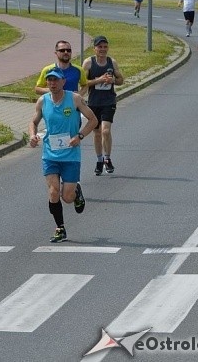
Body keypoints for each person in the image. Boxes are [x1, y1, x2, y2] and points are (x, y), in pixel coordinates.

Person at [29, 69, 98, 243]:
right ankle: (60, 228)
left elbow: (93, 120)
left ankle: (76, 192)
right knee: (53, 193)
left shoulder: (74, 99)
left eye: (55, 80)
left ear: (63, 81)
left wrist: (80, 136)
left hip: (70, 155)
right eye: (49, 80)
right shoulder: (42, 101)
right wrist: (32, 135)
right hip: (50, 155)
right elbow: (33, 122)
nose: (52, 83)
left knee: (67, 197)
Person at [82, 36, 124, 176]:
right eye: (100, 47)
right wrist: (99, 80)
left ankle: (107, 158)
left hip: (109, 101)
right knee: (97, 133)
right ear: (94, 48)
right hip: (94, 102)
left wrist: (112, 80)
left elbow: (121, 80)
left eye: (105, 47)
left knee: (105, 131)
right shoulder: (88, 63)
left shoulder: (112, 62)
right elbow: (83, 83)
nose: (102, 50)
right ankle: (99, 160)